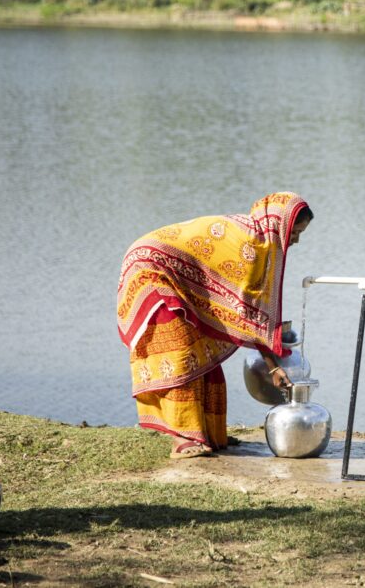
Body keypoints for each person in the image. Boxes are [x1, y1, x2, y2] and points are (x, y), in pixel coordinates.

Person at [117, 192, 313, 459]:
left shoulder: (263, 242)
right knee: (181, 351)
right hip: (151, 270)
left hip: (179, 277)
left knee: (205, 348)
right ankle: (182, 440)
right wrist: (273, 366)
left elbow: (250, 313)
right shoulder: (252, 245)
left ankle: (208, 433)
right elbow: (249, 314)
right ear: (282, 224)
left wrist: (273, 363)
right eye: (294, 232)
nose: (296, 240)